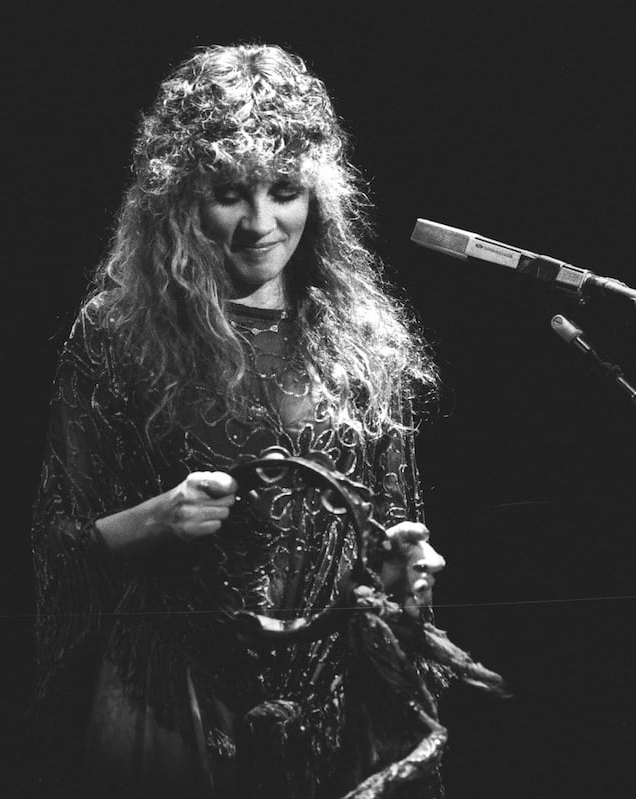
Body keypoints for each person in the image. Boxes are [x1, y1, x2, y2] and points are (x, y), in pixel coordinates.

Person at [30, 43, 501, 798]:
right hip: (174, 706)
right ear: (179, 198)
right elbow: (54, 552)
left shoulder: (361, 340)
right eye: (228, 192)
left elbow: (387, 546)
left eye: (285, 189)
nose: (260, 222)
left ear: (320, 193)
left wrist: (400, 569)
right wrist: (156, 519)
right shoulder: (118, 334)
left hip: (332, 711)